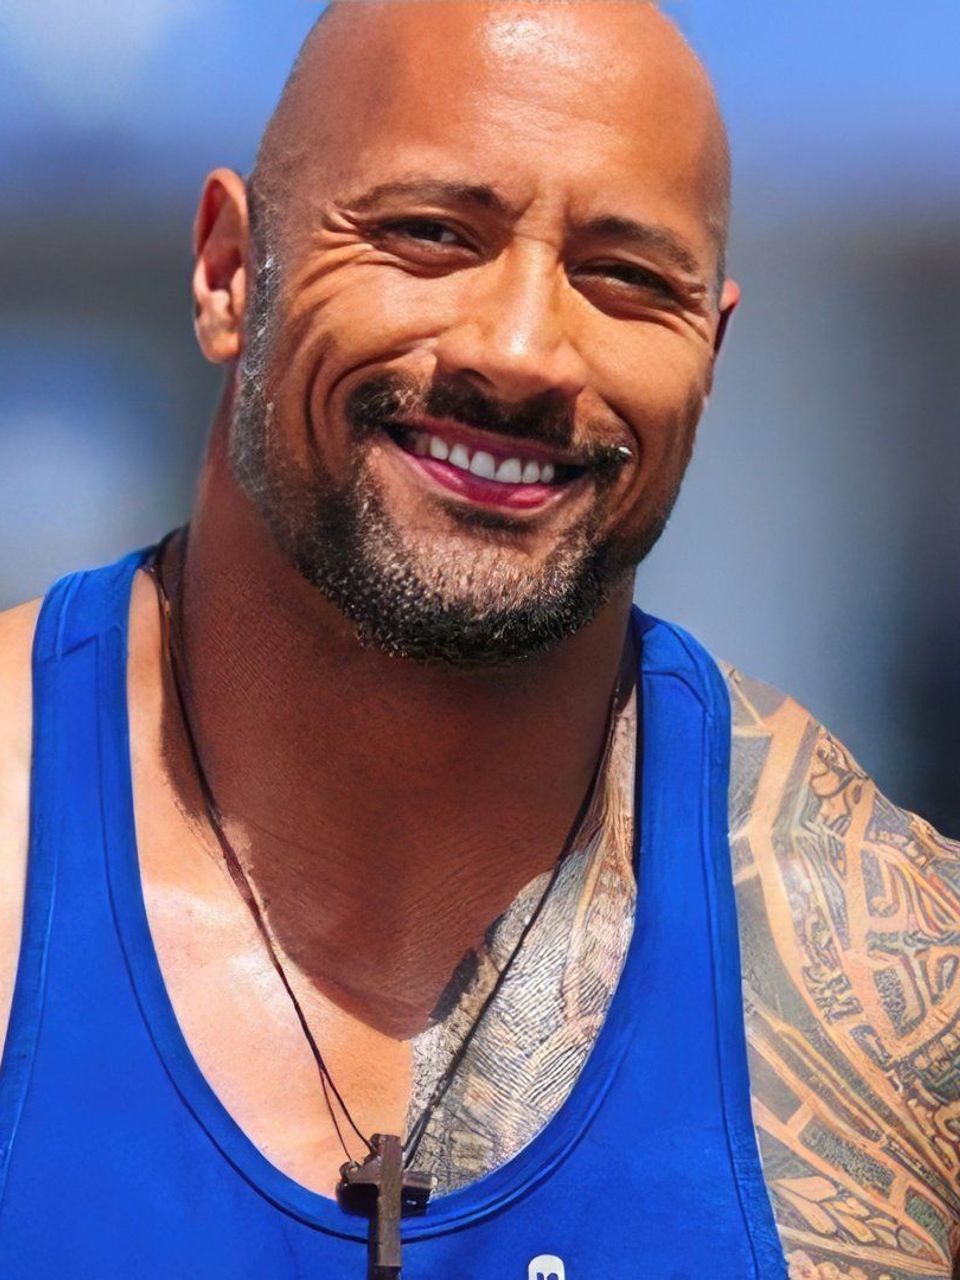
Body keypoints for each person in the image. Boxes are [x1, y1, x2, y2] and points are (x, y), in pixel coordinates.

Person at [0, 2, 956, 1277]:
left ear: (709, 356)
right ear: (231, 270)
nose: (521, 351)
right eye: (430, 234)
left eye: (626, 278)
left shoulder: (882, 972)